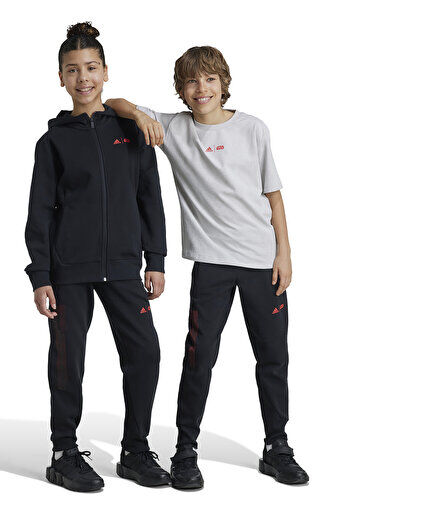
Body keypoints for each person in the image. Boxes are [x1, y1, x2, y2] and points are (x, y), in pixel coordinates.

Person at [106, 45, 309, 488]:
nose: (202, 89)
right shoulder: (173, 128)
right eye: (192, 81)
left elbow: (273, 195)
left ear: (223, 83)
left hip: (262, 262)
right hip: (212, 265)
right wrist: (138, 115)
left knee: (273, 357)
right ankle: (185, 450)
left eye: (210, 79)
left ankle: (277, 447)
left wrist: (285, 253)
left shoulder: (252, 128)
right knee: (199, 359)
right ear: (181, 90)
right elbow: (112, 102)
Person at [24, 22, 170, 492]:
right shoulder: (52, 142)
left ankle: (135, 450)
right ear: (60, 78)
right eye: (73, 70)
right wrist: (40, 276)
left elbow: (150, 197)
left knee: (145, 353)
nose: (82, 77)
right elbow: (40, 211)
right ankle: (63, 452)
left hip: (125, 266)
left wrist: (156, 258)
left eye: (90, 68)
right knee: (69, 361)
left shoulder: (131, 131)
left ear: (106, 72)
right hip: (68, 270)